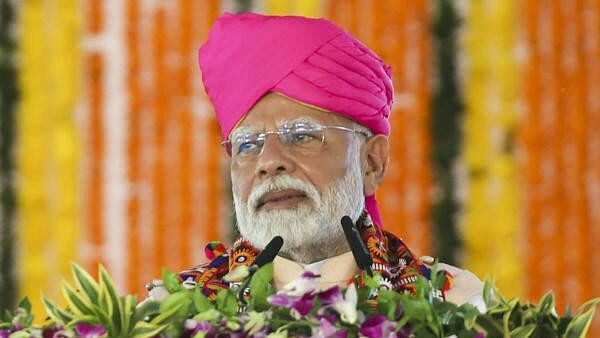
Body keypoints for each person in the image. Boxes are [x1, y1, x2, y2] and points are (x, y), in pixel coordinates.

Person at [146, 12, 484, 309]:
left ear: (371, 163)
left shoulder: (455, 303)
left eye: (302, 135)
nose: (270, 162)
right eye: (248, 144)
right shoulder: (171, 313)